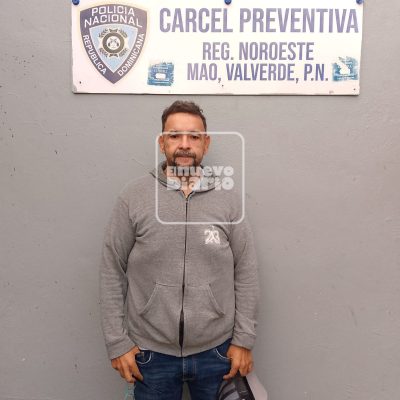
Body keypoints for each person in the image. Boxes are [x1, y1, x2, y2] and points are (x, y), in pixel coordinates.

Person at [100, 100, 260, 400]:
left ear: (205, 144)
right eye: (174, 135)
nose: (184, 144)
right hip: (150, 355)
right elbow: (112, 270)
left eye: (193, 136)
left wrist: (243, 340)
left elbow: (246, 271)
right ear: (162, 143)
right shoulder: (133, 197)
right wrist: (117, 343)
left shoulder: (228, 200)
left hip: (218, 353)